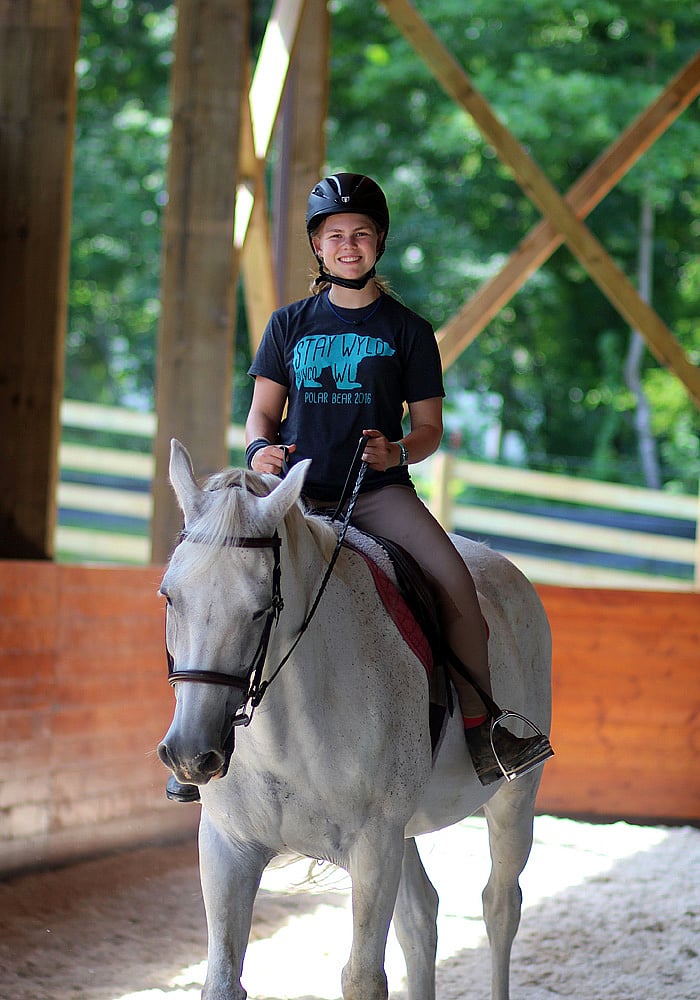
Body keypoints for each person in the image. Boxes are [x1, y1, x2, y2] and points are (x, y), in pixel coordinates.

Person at [166, 172, 552, 803]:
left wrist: (399, 450)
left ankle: (488, 729)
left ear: (379, 243)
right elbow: (262, 413)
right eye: (335, 235)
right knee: (210, 591)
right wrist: (261, 449)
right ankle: (189, 741)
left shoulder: (408, 330)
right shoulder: (288, 324)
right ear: (318, 246)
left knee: (456, 583)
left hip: (378, 493)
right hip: (294, 499)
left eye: (361, 234)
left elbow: (429, 428)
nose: (349, 245)